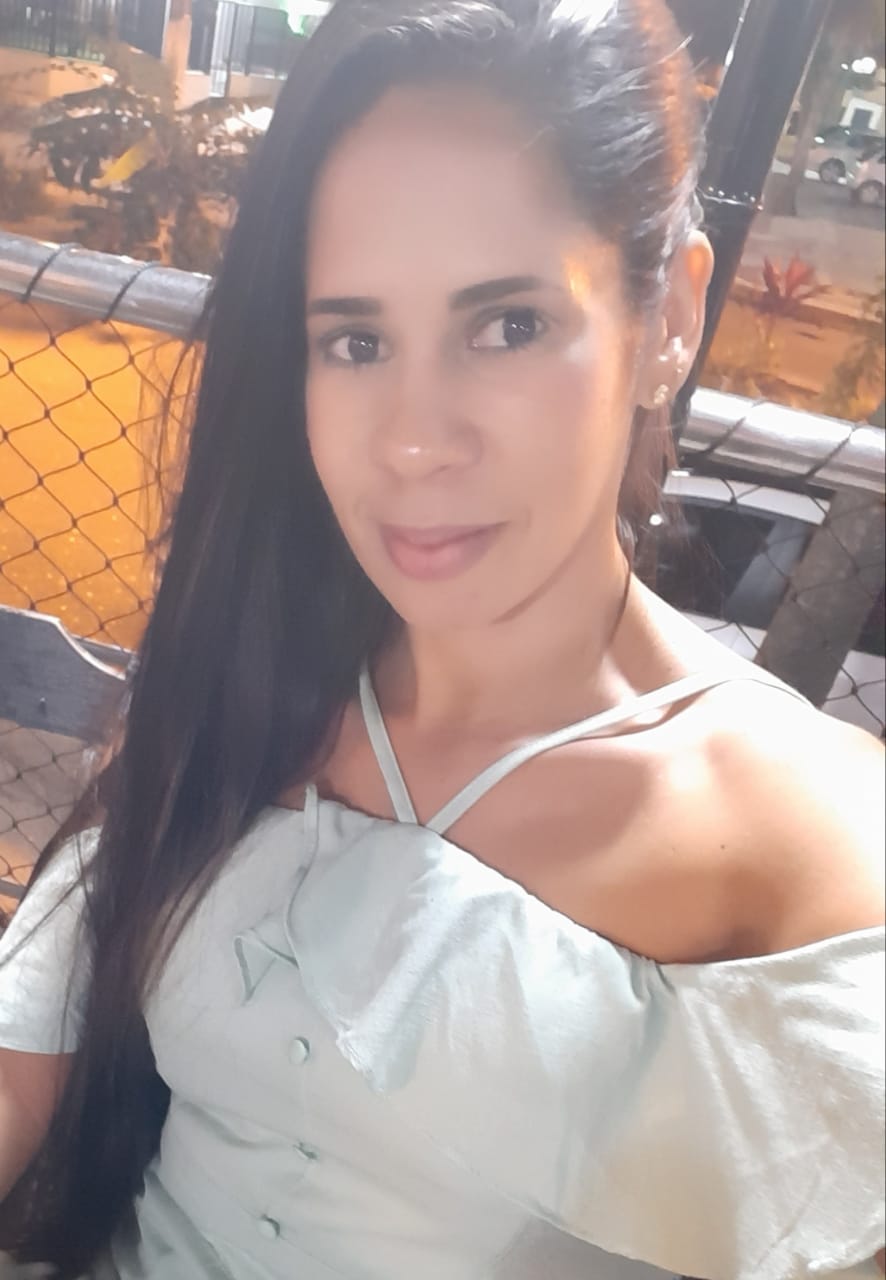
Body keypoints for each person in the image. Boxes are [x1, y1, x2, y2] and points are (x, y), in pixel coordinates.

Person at [0, 0, 883, 1276]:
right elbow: (30, 1049)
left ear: (669, 318)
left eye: (508, 323)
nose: (414, 440)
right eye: (355, 341)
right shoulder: (246, 681)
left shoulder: (815, 851)